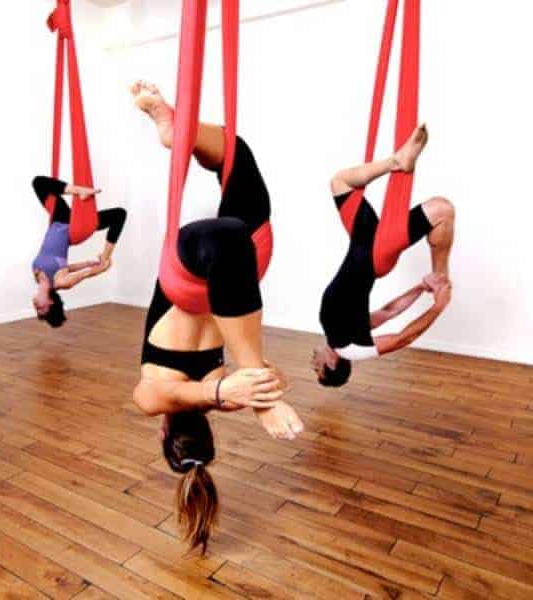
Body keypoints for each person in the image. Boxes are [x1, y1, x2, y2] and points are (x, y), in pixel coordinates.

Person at [129, 81, 304, 555]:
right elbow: (199, 395)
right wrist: (262, 388)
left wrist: (238, 391)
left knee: (227, 231)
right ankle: (175, 129)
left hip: (195, 270)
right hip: (240, 265)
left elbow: (163, 395)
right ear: (165, 434)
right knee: (236, 156)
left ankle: (176, 131)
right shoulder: (221, 389)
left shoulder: (170, 393)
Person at [312, 125, 455, 386]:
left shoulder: (338, 334)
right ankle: (440, 274)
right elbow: (403, 338)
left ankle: (397, 161)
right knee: (442, 209)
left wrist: (418, 288)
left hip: (363, 240)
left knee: (340, 183)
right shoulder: (353, 349)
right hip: (376, 256)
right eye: (317, 369)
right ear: (331, 365)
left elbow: (388, 311)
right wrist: (437, 306)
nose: (313, 363)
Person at [31, 177, 126, 328]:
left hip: (59, 220)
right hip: (72, 227)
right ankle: (106, 253)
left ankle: (80, 191)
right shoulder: (61, 282)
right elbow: (85, 274)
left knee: (39, 183)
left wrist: (87, 263)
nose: (36, 306)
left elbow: (66, 267)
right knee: (120, 215)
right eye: (41, 308)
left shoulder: (38, 277)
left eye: (36, 310)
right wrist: (103, 265)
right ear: (51, 302)